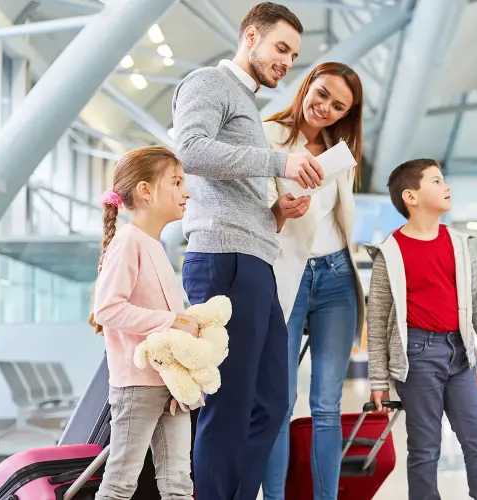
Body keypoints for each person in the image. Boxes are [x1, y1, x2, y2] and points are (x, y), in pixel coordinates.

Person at [170, 3, 324, 498]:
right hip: (223, 261)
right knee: (230, 405)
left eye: (293, 54)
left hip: (254, 261)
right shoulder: (207, 83)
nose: (286, 61)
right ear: (250, 37)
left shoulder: (246, 104)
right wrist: (279, 161)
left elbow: (231, 181)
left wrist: (276, 209)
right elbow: (190, 150)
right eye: (281, 48)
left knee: (272, 402)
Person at [366, 159, 477, 500]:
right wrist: (379, 381)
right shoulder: (391, 251)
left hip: (461, 355)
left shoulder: (460, 244)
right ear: (411, 196)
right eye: (437, 180)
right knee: (425, 447)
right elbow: (378, 318)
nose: (447, 186)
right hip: (416, 356)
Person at [260, 62, 365, 500]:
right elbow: (251, 213)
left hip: (338, 275)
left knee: (327, 406)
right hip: (287, 274)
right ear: (307, 85)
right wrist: (279, 210)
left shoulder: (339, 150)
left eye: (338, 106)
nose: (325, 108)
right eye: (321, 94)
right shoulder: (266, 134)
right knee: (277, 404)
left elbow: (342, 216)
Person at [89, 146, 196, 500]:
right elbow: (107, 309)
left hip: (170, 384)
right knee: (120, 484)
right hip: (137, 385)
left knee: (179, 483)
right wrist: (172, 321)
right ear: (146, 191)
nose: (187, 192)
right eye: (177, 182)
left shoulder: (155, 246)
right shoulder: (128, 242)